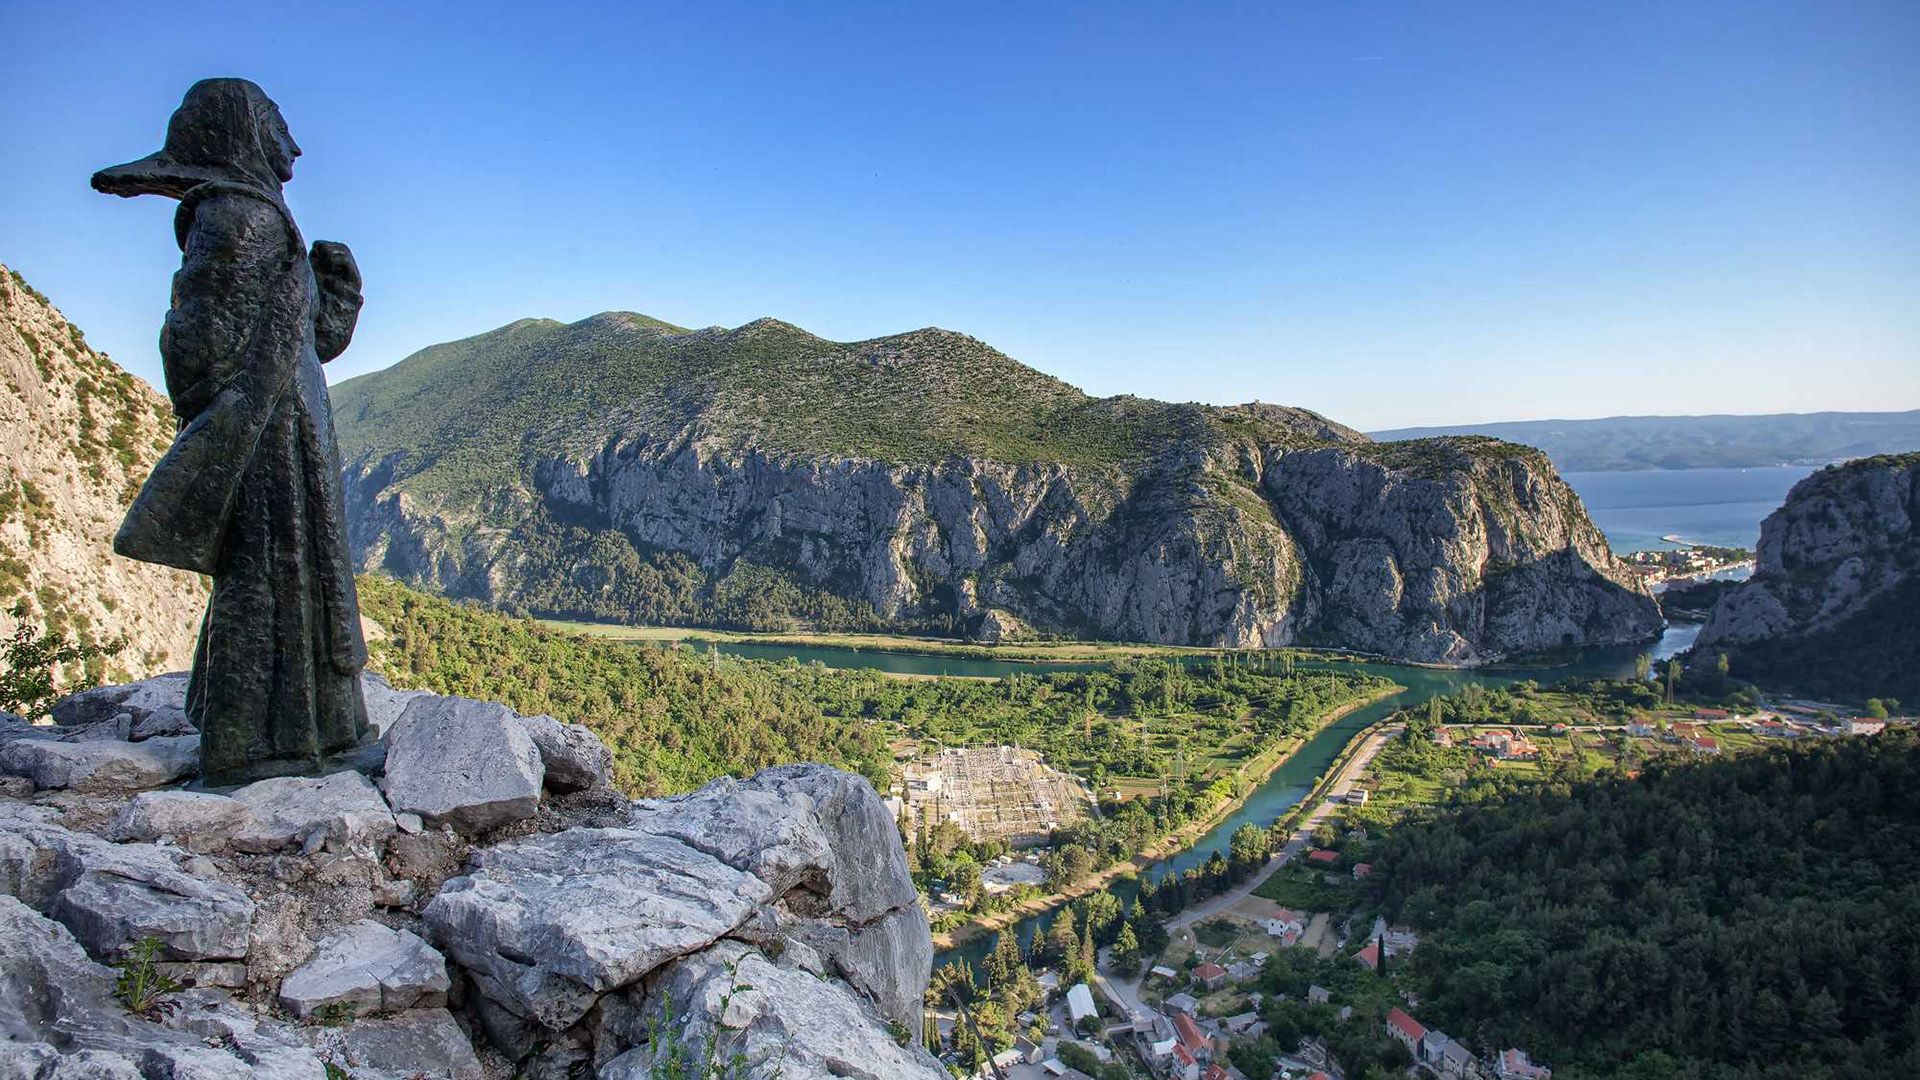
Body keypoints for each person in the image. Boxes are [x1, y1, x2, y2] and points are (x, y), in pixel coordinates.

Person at [94, 78, 370, 786]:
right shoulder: (239, 219)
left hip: (285, 428)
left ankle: (305, 732)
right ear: (244, 130)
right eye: (279, 125)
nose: (295, 144)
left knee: (285, 576)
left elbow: (306, 344)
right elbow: (197, 339)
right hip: (268, 438)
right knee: (271, 573)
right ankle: (260, 745)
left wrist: (338, 295)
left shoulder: (257, 219)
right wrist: (230, 419)